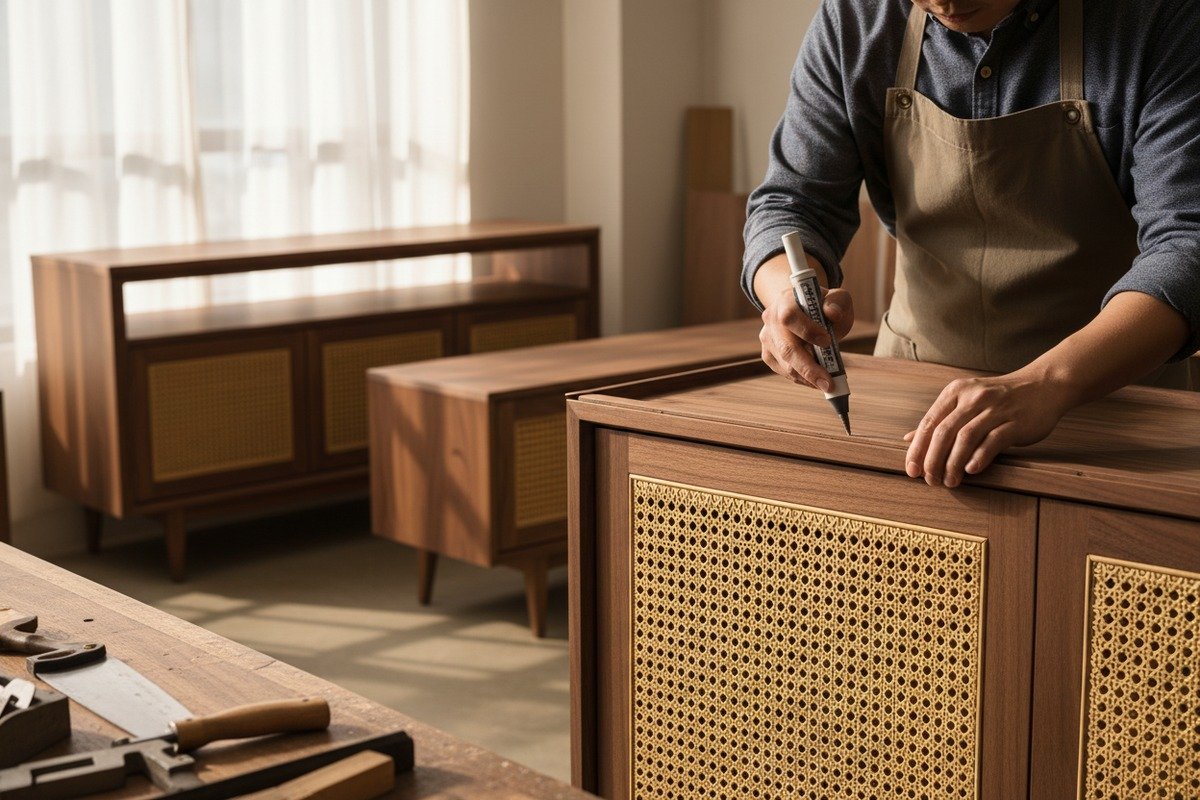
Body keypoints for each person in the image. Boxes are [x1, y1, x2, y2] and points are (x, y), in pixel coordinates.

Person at [743, 0, 1199, 488]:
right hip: (914, 400)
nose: (947, 2)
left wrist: (1047, 382)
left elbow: (1187, 244)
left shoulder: (1159, 19)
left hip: (1116, 404)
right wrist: (785, 295)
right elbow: (793, 203)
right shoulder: (856, 20)